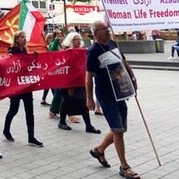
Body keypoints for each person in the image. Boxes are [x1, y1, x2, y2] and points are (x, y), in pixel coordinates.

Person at [86, 20, 140, 179]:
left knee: (121, 128)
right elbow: (88, 78)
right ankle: (124, 166)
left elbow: (124, 62)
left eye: (107, 28)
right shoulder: (93, 51)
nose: (107, 30)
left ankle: (99, 150)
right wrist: (90, 99)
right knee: (118, 130)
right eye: (103, 29)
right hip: (106, 96)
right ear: (96, 34)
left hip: (121, 93)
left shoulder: (112, 44)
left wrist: (133, 80)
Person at [2, 31, 43, 147]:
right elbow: (10, 64)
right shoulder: (12, 51)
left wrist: (34, 57)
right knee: (13, 110)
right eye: (21, 37)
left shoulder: (25, 51)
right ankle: (6, 130)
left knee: (30, 112)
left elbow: (28, 66)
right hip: (16, 86)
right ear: (16, 39)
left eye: (25, 37)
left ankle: (31, 137)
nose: (24, 39)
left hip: (26, 85)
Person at [57, 32, 101, 134]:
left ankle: (88, 125)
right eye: (75, 39)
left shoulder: (82, 52)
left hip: (80, 81)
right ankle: (62, 121)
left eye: (79, 39)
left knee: (83, 102)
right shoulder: (66, 52)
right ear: (71, 41)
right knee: (66, 101)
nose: (78, 41)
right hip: (68, 82)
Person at [47, 29, 65, 117]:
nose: (61, 37)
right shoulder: (52, 45)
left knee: (59, 93)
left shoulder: (63, 46)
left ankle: (54, 110)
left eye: (61, 36)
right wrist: (57, 40)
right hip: (54, 72)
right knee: (57, 93)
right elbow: (52, 51)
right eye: (59, 36)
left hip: (63, 71)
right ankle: (53, 110)